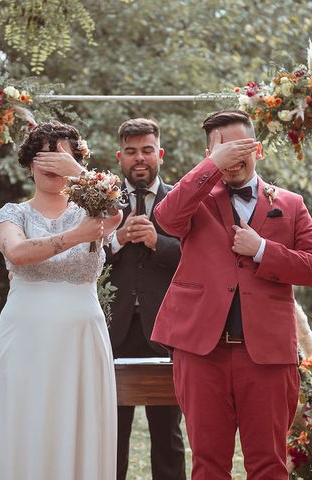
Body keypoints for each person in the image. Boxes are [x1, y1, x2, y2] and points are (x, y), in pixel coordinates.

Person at [151, 109, 312, 480]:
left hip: (266, 355)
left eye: (237, 147)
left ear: (257, 149)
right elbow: (166, 219)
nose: (230, 157)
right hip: (202, 352)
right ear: (208, 155)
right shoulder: (195, 199)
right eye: (219, 150)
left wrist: (262, 248)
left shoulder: (290, 204)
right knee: (208, 465)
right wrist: (211, 167)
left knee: (268, 464)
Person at [0, 121, 122, 480]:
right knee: (26, 419)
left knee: (80, 421)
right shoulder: (13, 213)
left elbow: (119, 209)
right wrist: (77, 236)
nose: (53, 163)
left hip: (81, 338)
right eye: (44, 154)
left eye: (62, 155)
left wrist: (78, 173)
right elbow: (18, 252)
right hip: (26, 334)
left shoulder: (94, 211)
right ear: (30, 163)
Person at [105, 118, 186, 480]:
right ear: (120, 156)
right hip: (111, 332)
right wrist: (118, 239)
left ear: (161, 154)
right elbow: (80, 258)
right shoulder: (101, 200)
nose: (140, 159)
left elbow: (199, 257)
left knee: (167, 436)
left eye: (147, 151)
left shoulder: (181, 199)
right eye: (132, 152)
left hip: (166, 331)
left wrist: (158, 243)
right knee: (109, 436)